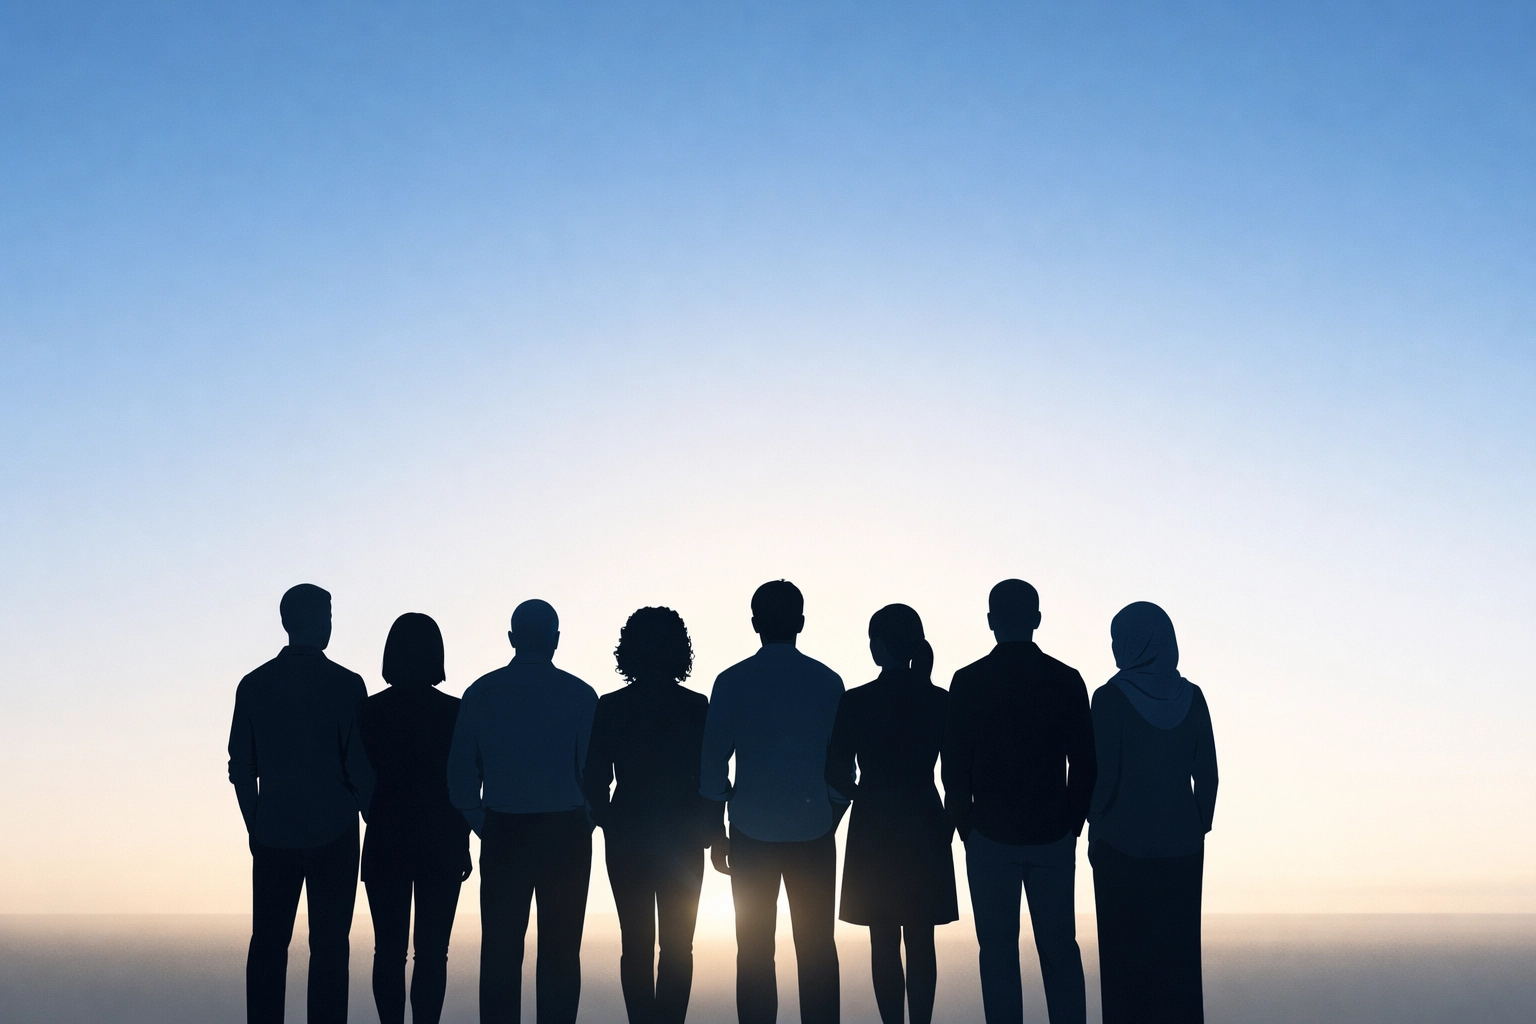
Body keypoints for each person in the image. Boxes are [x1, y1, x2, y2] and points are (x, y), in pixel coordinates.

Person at [942, 579, 1096, 1024]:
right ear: (1037, 620)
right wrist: (1073, 823)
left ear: (991, 622)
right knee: (1060, 949)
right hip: (1051, 834)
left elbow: (953, 766)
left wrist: (966, 826)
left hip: (989, 835)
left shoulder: (968, 681)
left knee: (996, 953)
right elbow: (1085, 762)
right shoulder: (1066, 680)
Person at [700, 580, 846, 1024]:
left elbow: (712, 766)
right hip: (814, 832)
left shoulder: (731, 681)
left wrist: (716, 830)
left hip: (750, 832)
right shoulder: (828, 681)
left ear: (754, 624)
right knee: (818, 950)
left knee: (755, 952)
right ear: (801, 622)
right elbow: (843, 768)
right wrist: (831, 812)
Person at [227, 583, 374, 1024]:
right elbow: (360, 768)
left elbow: (241, 767)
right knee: (330, 945)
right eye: (329, 616)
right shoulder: (347, 685)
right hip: (336, 831)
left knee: (268, 943)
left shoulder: (253, 685)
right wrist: (373, 819)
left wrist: (256, 824)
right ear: (320, 622)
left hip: (273, 831)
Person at [447, 599, 598, 1024]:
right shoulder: (581, 694)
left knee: (499, 953)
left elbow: (460, 773)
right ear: (555, 640)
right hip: (565, 832)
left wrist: (482, 822)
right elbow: (595, 772)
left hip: (504, 831)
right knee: (562, 953)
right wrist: (583, 820)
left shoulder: (481, 692)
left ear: (512, 639)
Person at [583, 607, 718, 1024]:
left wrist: (609, 820)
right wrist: (710, 827)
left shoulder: (611, 707)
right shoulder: (697, 707)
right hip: (682, 838)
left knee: (635, 944)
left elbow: (593, 779)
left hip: (628, 837)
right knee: (679, 947)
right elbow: (712, 775)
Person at [825, 604, 958, 1024]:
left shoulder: (857, 700)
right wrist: (949, 826)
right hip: (924, 817)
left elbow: (834, 766)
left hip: (874, 823)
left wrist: (861, 793)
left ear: (880, 646)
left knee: (881, 939)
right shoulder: (939, 700)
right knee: (922, 939)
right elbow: (956, 772)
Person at [1087, 602, 1218, 1024]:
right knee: (1178, 959)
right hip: (1182, 851)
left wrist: (1093, 823)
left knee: (1125, 964)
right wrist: (1199, 826)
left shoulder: (1108, 699)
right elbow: (1209, 777)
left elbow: (1102, 778)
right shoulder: (1193, 697)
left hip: (1120, 850)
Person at [355, 613, 472, 1024]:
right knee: (432, 951)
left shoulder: (368, 712)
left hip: (386, 836)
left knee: (387, 949)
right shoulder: (457, 713)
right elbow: (464, 783)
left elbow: (358, 777)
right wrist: (463, 843)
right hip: (442, 841)